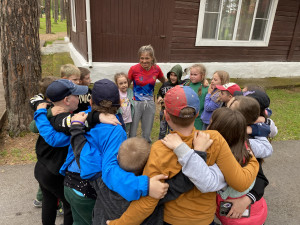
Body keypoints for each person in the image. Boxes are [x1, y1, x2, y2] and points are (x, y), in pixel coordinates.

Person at [107, 85, 259, 225]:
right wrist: (254, 161)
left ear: (166, 115)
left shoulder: (160, 149)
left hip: (173, 219)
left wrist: (118, 223)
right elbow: (240, 182)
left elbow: (148, 201)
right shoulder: (214, 139)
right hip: (204, 219)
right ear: (198, 113)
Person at [68, 79, 169, 223]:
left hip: (71, 183)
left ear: (91, 103)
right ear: (120, 103)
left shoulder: (81, 118)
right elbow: (109, 170)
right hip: (91, 189)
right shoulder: (115, 131)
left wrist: (94, 117)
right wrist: (144, 185)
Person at [162, 107, 268, 225]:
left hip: (238, 218)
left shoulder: (223, 162)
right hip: (255, 213)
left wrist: (191, 150)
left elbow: (205, 181)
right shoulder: (245, 149)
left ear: (216, 130)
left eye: (210, 123)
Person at [33, 79, 88, 225]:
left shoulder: (48, 113)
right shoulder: (68, 122)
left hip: (41, 168)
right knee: (69, 204)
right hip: (54, 173)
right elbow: (56, 139)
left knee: (49, 201)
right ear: (67, 100)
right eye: (77, 95)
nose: (80, 98)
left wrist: (40, 111)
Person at [128, 45, 166, 143]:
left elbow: (165, 82)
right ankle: (130, 148)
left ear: (152, 58)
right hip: (135, 103)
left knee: (147, 131)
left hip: (149, 103)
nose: (144, 61)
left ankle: (145, 150)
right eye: (142, 58)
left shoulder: (156, 69)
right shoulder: (133, 69)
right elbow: (126, 86)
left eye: (147, 58)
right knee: (132, 130)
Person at [157, 64, 185, 139]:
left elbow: (191, 80)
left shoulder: (182, 84)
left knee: (172, 131)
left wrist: (204, 80)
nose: (172, 77)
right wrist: (159, 97)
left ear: (179, 76)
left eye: (175, 75)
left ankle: (171, 146)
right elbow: (159, 93)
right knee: (162, 131)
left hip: (174, 114)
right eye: (171, 75)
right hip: (164, 112)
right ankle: (160, 145)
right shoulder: (165, 84)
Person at [185, 64, 209, 130]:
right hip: (185, 117)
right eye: (191, 74)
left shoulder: (206, 88)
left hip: (198, 120)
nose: (192, 76)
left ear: (203, 75)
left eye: (195, 75)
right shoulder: (186, 84)